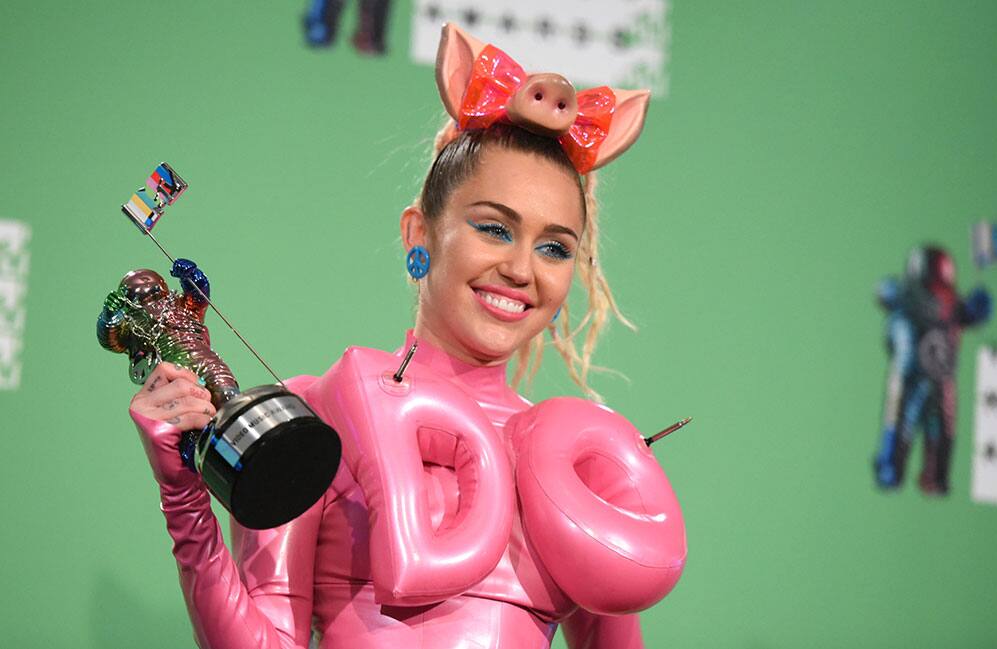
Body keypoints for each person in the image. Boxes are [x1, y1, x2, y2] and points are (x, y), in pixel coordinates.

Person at [126, 23, 686, 649]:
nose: (523, 270)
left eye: (555, 248)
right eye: (495, 229)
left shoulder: (582, 463)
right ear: (419, 235)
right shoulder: (315, 415)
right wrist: (185, 500)